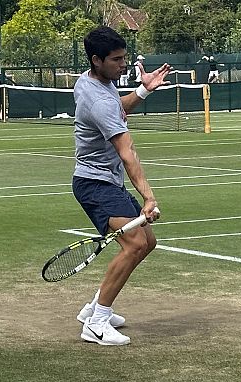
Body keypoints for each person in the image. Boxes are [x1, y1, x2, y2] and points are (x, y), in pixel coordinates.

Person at [72, 26, 169, 346]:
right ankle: (97, 322)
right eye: (116, 60)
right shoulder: (98, 100)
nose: (123, 65)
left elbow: (118, 109)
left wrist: (143, 90)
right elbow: (128, 152)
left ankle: (93, 309)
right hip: (95, 183)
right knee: (135, 245)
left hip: (104, 181)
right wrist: (149, 198)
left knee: (147, 242)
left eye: (125, 57)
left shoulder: (93, 82)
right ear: (96, 60)